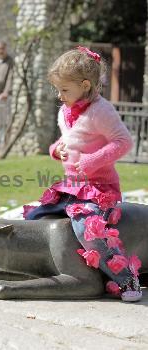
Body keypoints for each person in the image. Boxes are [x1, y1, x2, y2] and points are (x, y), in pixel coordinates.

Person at [23, 46, 142, 302]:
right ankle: (40, 269)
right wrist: (57, 150)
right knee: (35, 216)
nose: (60, 95)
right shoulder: (65, 112)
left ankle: (125, 278)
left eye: (64, 90)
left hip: (99, 188)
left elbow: (123, 141)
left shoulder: (102, 110)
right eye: (58, 89)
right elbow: (66, 142)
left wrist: (91, 161)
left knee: (87, 228)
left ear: (85, 84)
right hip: (71, 187)